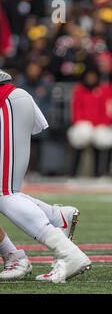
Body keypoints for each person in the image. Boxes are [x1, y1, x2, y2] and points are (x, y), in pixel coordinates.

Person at [0, 69, 91, 283]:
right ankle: (54, 216)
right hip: (8, 103)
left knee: (4, 193)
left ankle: (69, 253)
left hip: (4, 101)